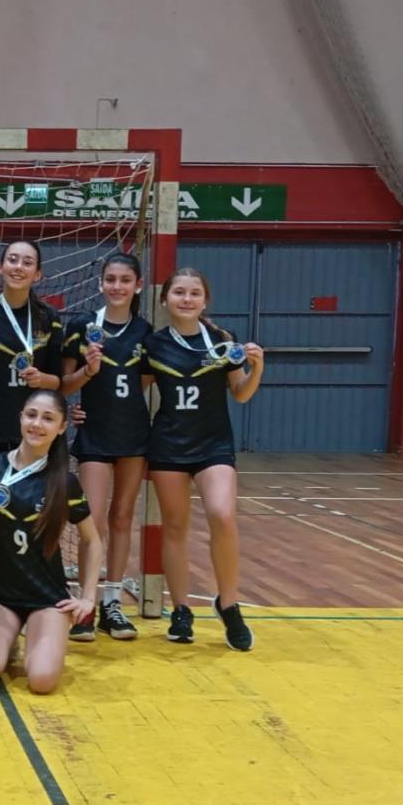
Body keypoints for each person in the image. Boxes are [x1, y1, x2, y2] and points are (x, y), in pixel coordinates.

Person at [143, 268, 265, 650]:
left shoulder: (223, 341)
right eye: (179, 292)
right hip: (168, 445)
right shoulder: (153, 344)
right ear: (165, 300)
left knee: (222, 515)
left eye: (194, 293)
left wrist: (257, 367)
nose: (186, 299)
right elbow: (131, 391)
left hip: (213, 444)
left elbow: (241, 393)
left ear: (205, 300)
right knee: (174, 527)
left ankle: (229, 605)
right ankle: (181, 610)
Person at [0, 390, 102, 694]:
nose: (37, 424)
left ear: (62, 427)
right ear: (20, 418)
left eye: (48, 418)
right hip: (0, 595)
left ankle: (45, 629)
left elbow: (92, 540)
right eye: (31, 415)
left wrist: (88, 598)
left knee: (41, 681)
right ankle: (10, 636)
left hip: (47, 598)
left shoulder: (64, 481)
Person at [60, 251, 151, 641]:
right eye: (110, 279)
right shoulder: (82, 326)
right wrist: (88, 372)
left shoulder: (145, 331)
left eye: (125, 280)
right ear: (100, 283)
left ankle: (112, 603)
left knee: (122, 517)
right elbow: (66, 384)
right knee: (92, 520)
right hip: (94, 434)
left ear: (138, 286)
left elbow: (142, 383)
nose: (117, 286)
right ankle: (87, 604)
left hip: (133, 435)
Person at [0, 240, 64, 476]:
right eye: (12, 260)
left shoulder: (49, 318)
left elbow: (58, 382)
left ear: (37, 274)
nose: (18, 267)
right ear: (0, 266)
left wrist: (42, 379)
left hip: (35, 436)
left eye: (27, 263)